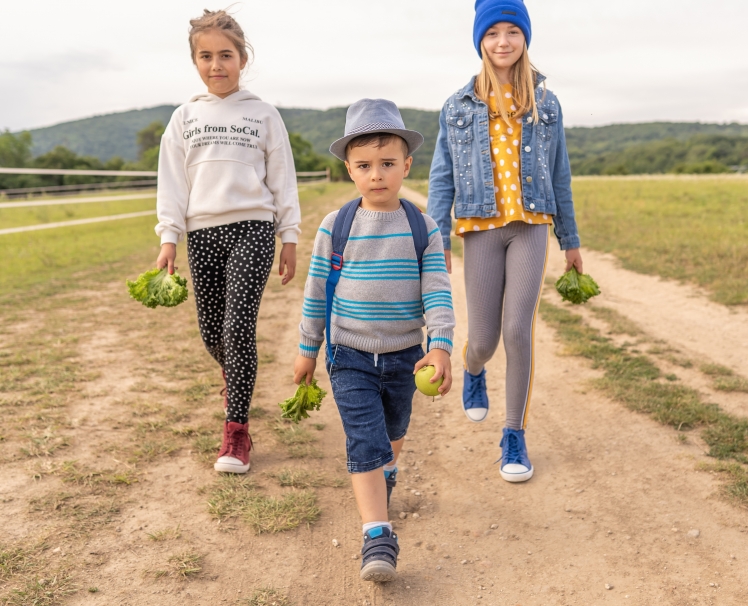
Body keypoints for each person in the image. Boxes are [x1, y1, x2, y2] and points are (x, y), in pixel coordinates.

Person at [294, 99, 455, 582]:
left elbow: (438, 289)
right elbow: (317, 292)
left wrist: (441, 343)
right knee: (365, 438)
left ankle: (383, 477)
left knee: (393, 432)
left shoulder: (421, 226)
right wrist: (308, 350)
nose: (377, 174)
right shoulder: (335, 226)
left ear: (407, 165)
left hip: (407, 353)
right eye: (365, 166)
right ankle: (376, 534)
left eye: (388, 164)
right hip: (350, 353)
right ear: (350, 169)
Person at [427, 0, 583, 483]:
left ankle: (513, 434)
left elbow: (560, 175)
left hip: (531, 227)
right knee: (486, 339)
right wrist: (437, 244)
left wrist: (570, 239)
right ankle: (474, 371)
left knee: (518, 331)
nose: (502, 41)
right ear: (480, 41)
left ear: (525, 38)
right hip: (481, 230)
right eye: (492, 32)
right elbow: (441, 179)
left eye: (512, 31)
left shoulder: (546, 103)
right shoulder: (458, 106)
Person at [154, 9, 300, 474]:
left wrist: (289, 237)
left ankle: (236, 432)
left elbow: (283, 179)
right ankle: (235, 374)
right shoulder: (184, 118)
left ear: (242, 58)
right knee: (212, 333)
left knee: (238, 327)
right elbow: (172, 184)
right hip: (202, 234)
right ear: (195, 61)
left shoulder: (263, 114)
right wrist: (168, 236)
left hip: (252, 229)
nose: (216, 65)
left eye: (226, 55)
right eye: (206, 56)